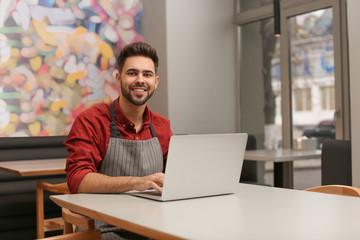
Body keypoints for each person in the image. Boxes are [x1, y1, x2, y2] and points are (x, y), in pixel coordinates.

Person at [64, 42, 173, 239]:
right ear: (118, 78)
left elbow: (175, 177)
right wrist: (137, 182)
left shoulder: (163, 126)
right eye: (132, 73)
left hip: (152, 227)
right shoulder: (91, 122)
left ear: (156, 81)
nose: (140, 80)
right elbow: (78, 180)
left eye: (147, 75)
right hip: (102, 230)